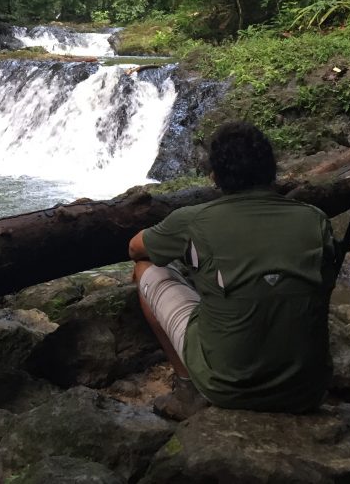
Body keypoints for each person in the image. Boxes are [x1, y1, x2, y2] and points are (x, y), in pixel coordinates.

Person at [129, 120, 337, 419]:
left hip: (226, 385)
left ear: (215, 176)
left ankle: (187, 390)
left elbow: (135, 248)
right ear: (271, 169)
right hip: (307, 390)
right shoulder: (315, 219)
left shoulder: (194, 220)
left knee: (145, 267)